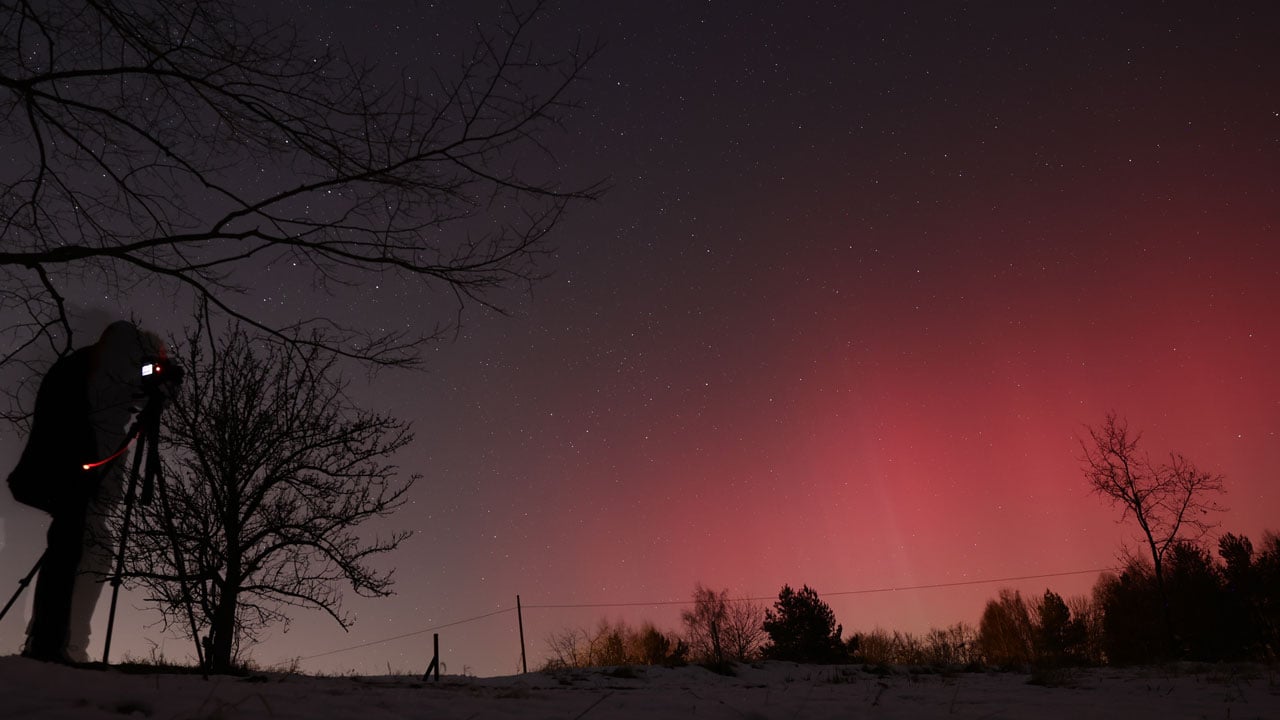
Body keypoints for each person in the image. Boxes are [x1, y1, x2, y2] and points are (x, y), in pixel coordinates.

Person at [6, 321, 166, 663]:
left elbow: (128, 400)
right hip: (75, 475)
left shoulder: (89, 367)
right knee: (81, 549)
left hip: (75, 475)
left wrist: (159, 385)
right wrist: (158, 381)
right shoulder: (107, 367)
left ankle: (57, 641)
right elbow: (118, 398)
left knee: (84, 549)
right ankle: (57, 643)